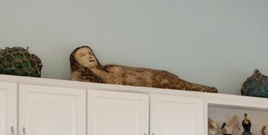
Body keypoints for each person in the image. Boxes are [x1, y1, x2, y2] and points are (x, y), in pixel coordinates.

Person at [69, 46, 219, 93]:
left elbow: (134, 70)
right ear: (76, 62)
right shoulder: (82, 79)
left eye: (90, 53)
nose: (89, 56)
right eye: (83, 55)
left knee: (177, 83)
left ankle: (206, 90)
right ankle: (206, 90)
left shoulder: (109, 68)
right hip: (145, 85)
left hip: (148, 79)